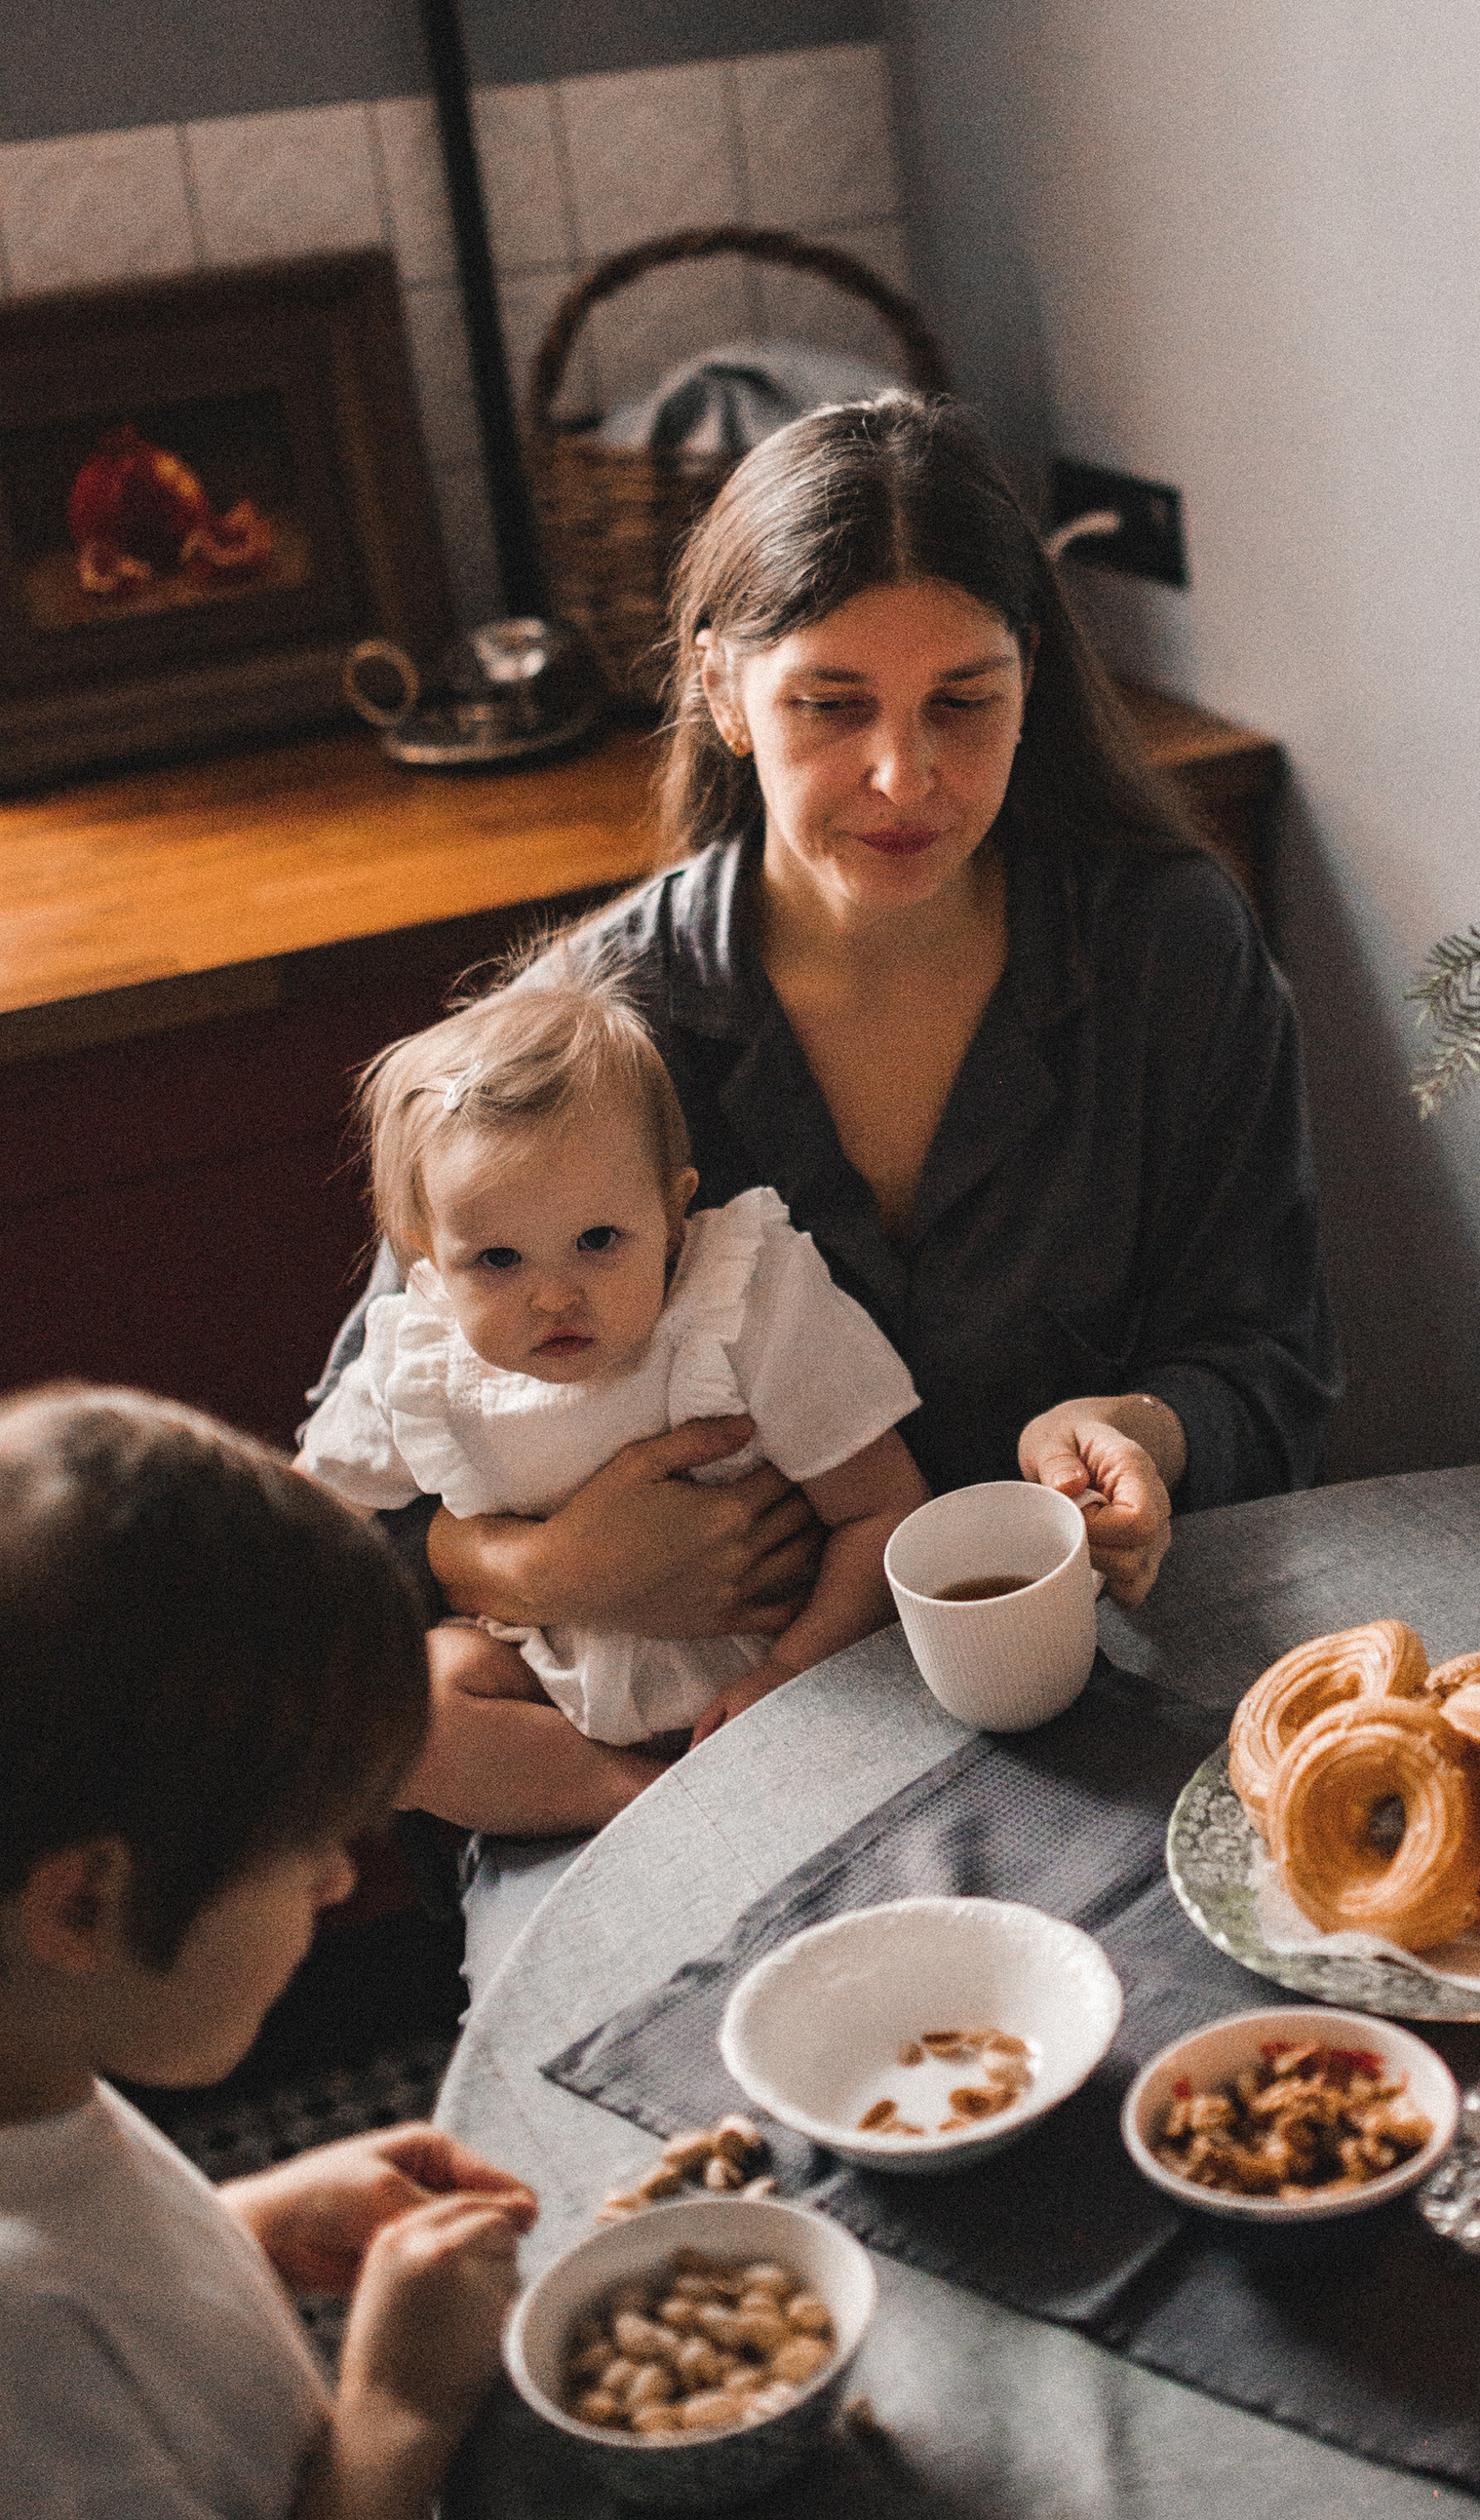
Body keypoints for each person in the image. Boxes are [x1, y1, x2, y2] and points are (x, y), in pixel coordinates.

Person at [324, 393, 1338, 1886]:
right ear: (724, 692)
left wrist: (1149, 1432)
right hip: (656, 1757)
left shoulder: (1169, 952)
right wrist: (529, 1565)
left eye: (963, 700)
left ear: (1033, 680)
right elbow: (359, 1483)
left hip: (1074, 1684)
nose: (903, 775)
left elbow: (1273, 1358)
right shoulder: (586, 1025)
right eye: (831, 702)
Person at [0, 1386, 537, 2520]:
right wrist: (395, 2417)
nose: (340, 1879)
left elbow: (84, 2283)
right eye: (304, 1849)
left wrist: (238, 2223)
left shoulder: (31, 2056)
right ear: (86, 1900)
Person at [298, 970, 925, 1834]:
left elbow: (887, 1509)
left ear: (673, 1213)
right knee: (417, 1716)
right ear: (429, 1260)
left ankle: (735, 1793)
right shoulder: (421, 1361)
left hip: (781, 1666)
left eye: (598, 1241)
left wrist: (791, 1672)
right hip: (559, 1687)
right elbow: (301, 1523)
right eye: (498, 1261)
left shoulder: (743, 1301)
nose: (554, 1297)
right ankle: (652, 1811)